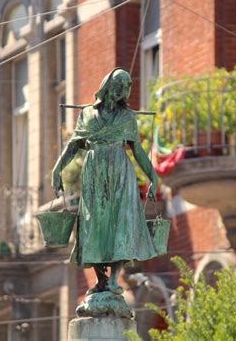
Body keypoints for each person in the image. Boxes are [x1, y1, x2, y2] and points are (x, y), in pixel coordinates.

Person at [51, 68, 158, 295]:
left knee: (122, 223)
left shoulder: (127, 117)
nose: (123, 90)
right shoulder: (88, 114)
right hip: (94, 171)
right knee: (93, 224)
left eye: (127, 86)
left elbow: (137, 150)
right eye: (119, 84)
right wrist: (57, 169)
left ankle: (114, 280)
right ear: (107, 85)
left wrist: (153, 176)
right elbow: (73, 145)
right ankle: (100, 279)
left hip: (120, 171)